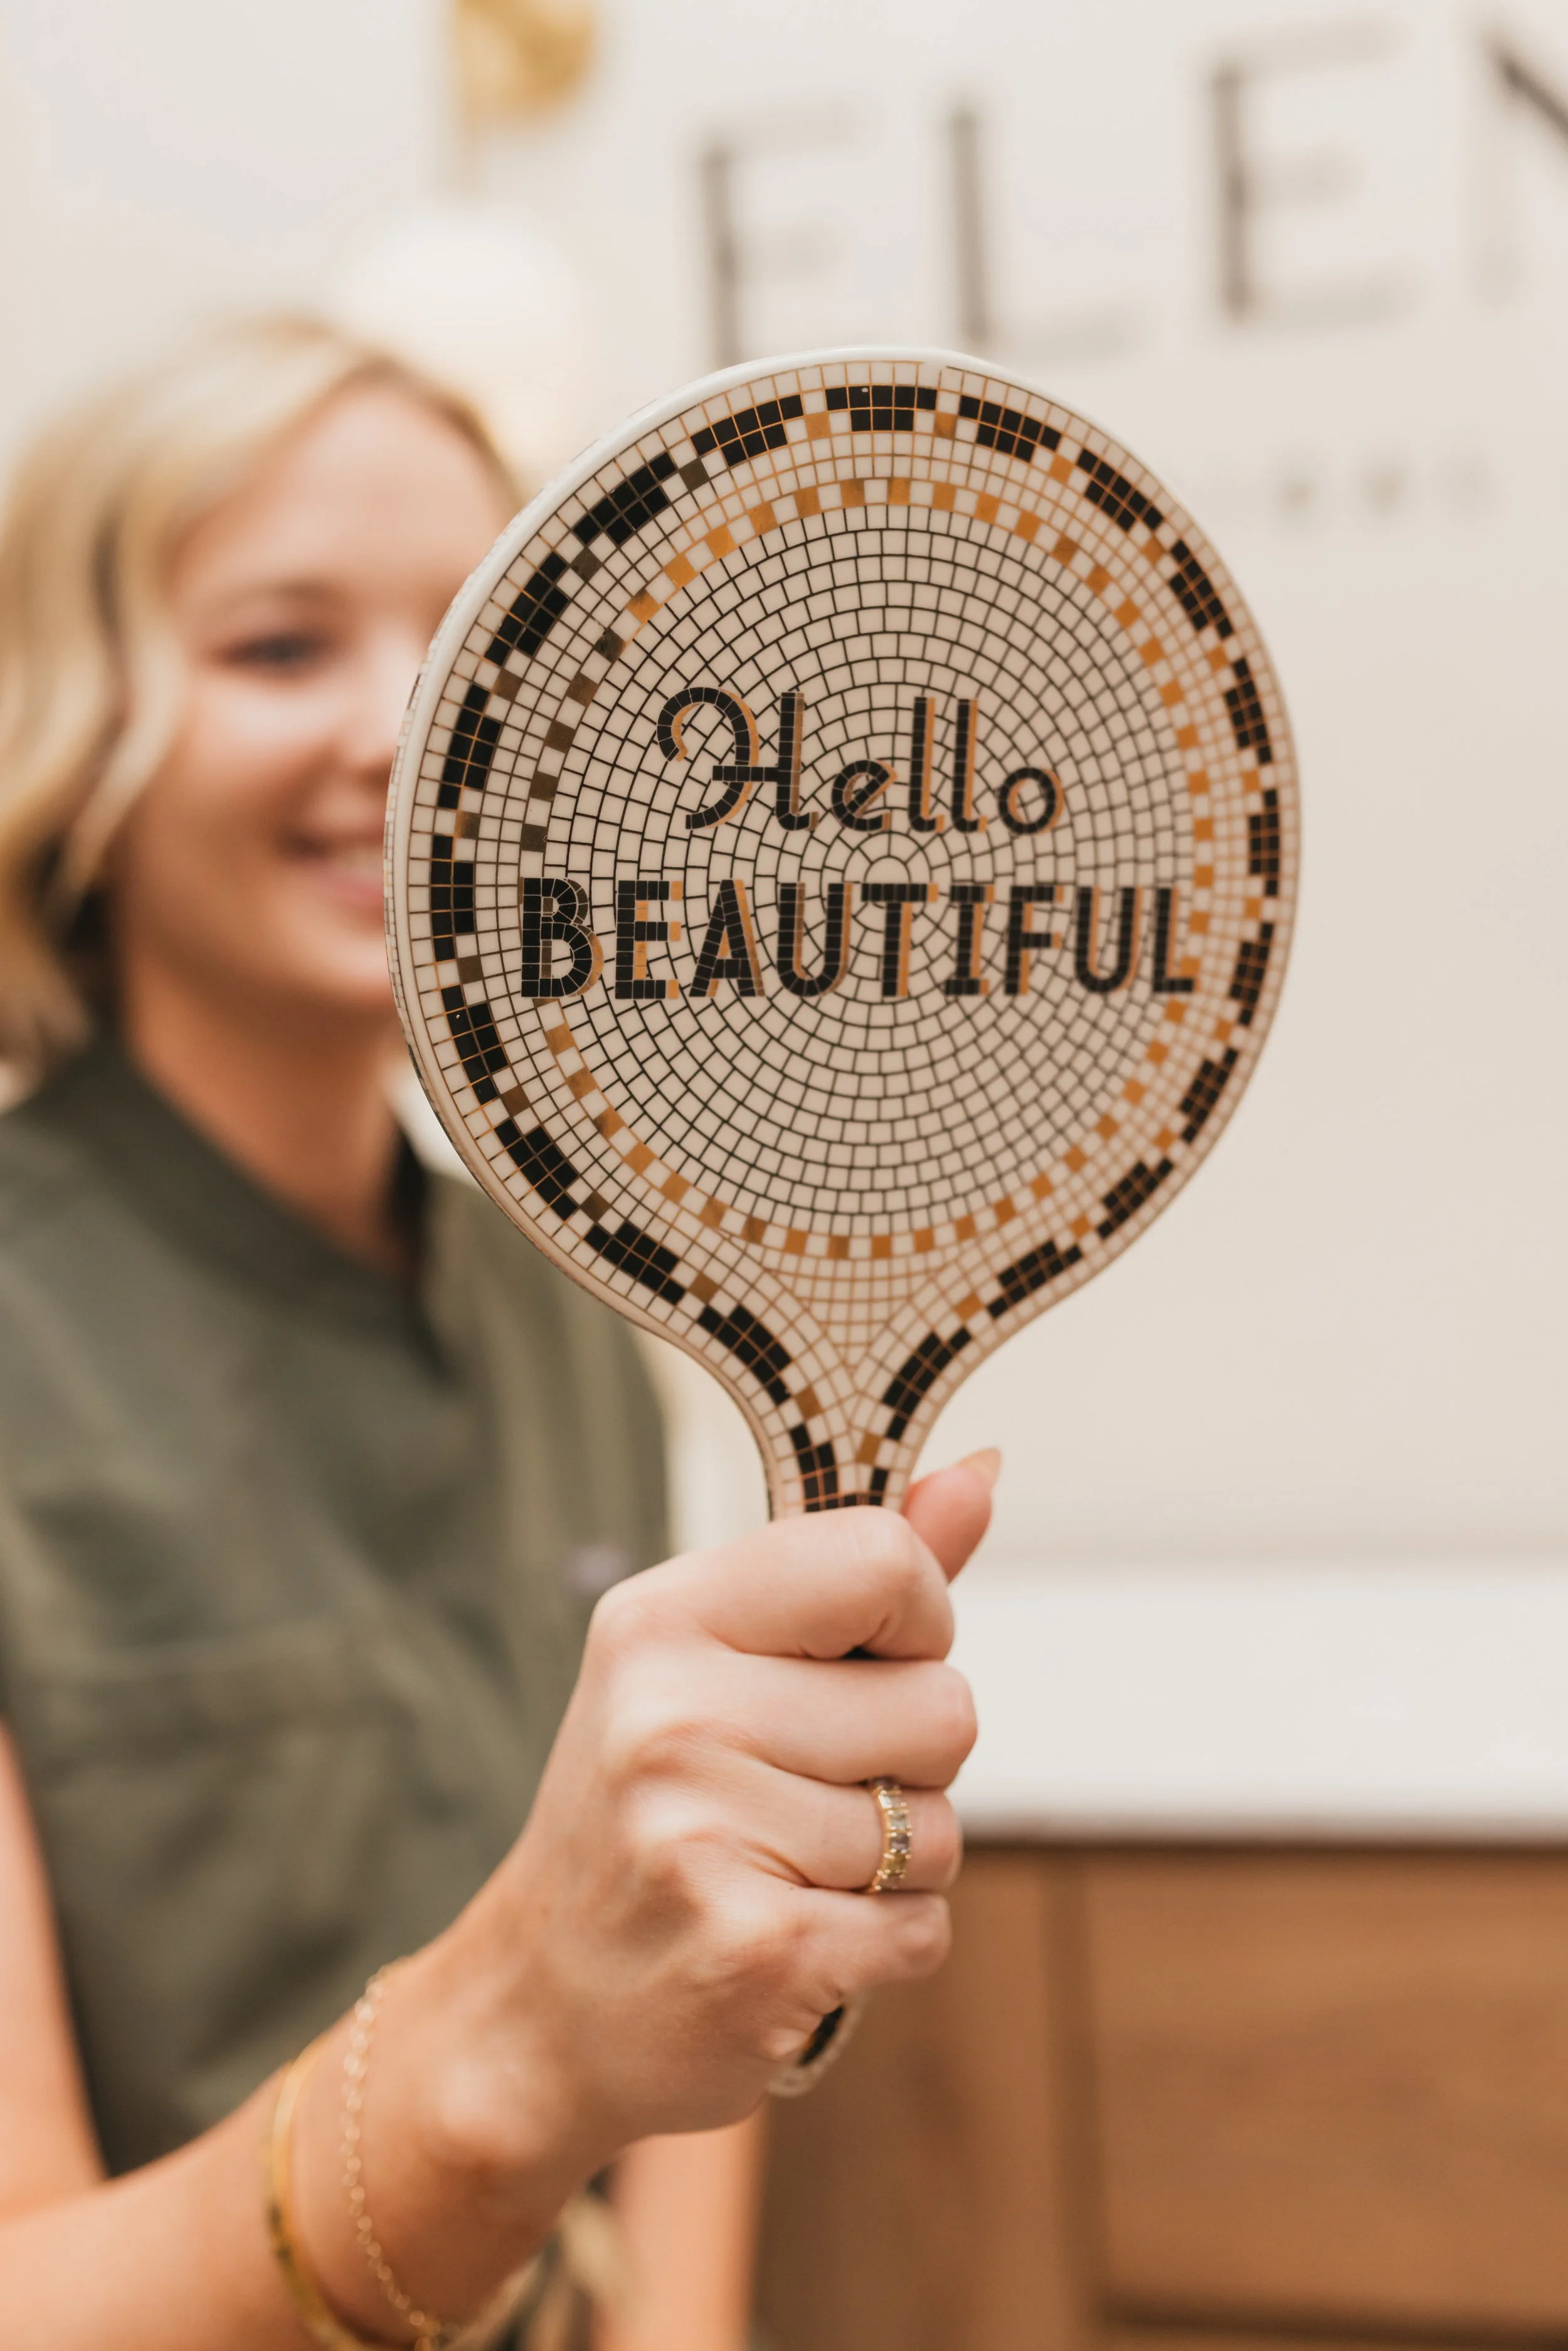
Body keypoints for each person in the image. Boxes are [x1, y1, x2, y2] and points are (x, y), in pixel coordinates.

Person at [0, 315, 995, 2348]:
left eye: (479, 647)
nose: (410, 729)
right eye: (282, 646)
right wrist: (507, 2049)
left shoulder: (587, 1307)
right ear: (76, 721)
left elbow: (699, 1980)